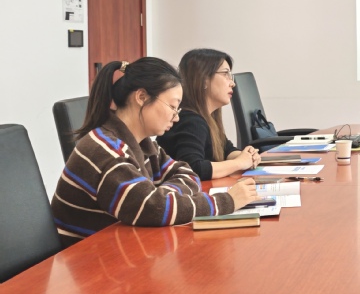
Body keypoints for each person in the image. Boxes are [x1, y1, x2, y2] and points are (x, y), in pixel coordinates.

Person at [51, 58, 260, 247]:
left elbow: (187, 173)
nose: (176, 117)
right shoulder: (107, 151)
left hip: (119, 246)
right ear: (142, 97)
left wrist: (163, 196)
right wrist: (227, 201)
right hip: (87, 259)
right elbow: (153, 208)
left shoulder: (143, 144)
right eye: (172, 107)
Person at [157, 49, 260, 180]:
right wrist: (239, 163)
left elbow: (226, 149)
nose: (232, 83)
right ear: (204, 79)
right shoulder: (190, 120)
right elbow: (192, 168)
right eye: (225, 74)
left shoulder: (206, 117)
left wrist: (247, 155)